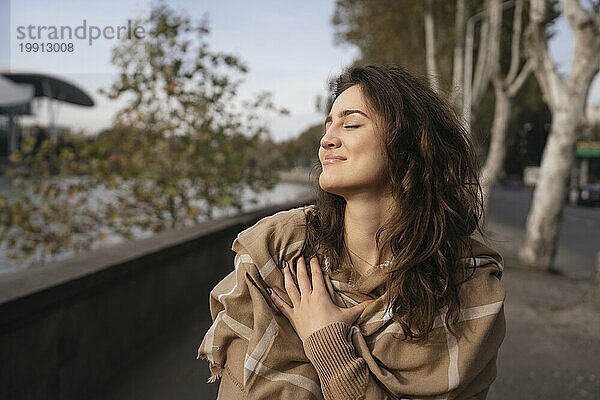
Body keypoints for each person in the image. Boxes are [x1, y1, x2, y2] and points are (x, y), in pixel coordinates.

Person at [197, 64, 506, 400]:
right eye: (328, 125)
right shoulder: (278, 250)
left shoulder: (468, 288)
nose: (327, 139)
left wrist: (327, 344)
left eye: (352, 123)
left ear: (409, 145)